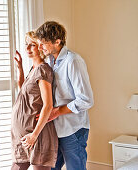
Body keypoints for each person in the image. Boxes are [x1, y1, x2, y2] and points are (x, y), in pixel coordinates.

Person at [35, 21, 94, 170]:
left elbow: (86, 100)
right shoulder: (49, 61)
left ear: (57, 41)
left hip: (73, 129)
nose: (40, 47)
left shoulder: (73, 61)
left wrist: (57, 111)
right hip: (55, 129)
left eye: (44, 43)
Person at [11, 31, 58, 170]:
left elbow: (48, 105)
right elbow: (24, 91)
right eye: (26, 45)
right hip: (24, 136)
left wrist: (34, 135)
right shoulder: (33, 69)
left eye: (32, 45)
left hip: (36, 135)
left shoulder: (43, 70)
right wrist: (20, 68)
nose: (27, 49)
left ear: (41, 47)